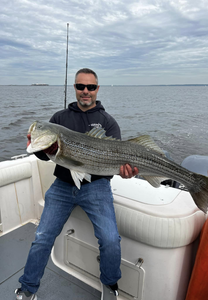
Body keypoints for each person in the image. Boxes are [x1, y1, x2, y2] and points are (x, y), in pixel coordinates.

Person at [15, 68, 138, 300]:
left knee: (110, 239)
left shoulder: (108, 123)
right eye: (80, 86)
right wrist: (45, 149)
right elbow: (43, 156)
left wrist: (126, 172)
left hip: (96, 187)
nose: (85, 91)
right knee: (42, 236)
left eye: (90, 87)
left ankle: (110, 285)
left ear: (97, 89)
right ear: (74, 88)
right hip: (62, 186)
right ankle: (27, 289)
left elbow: (117, 163)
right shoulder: (59, 119)